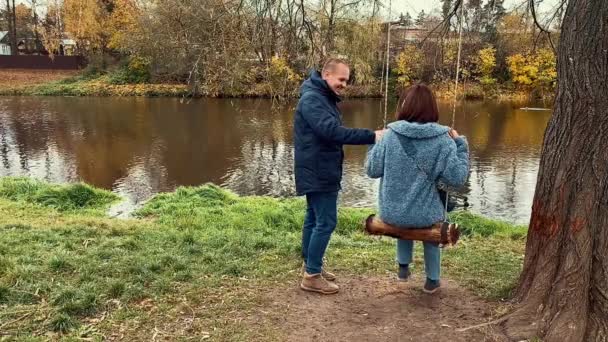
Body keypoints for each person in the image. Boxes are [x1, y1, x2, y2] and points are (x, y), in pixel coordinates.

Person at [365, 84, 469, 294]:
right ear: (432, 108)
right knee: (430, 215)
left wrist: (375, 143)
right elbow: (457, 177)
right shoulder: (443, 139)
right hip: (424, 216)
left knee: (404, 211)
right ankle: (432, 280)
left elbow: (372, 170)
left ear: (405, 106)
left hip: (391, 213)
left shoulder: (390, 135)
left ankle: (403, 268)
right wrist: (460, 144)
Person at [294, 58, 384, 294]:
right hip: (318, 169)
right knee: (326, 221)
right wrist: (372, 136)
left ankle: (311, 265)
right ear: (326, 75)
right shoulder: (313, 99)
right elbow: (331, 131)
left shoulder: (320, 96)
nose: (345, 84)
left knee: (313, 218)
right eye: (341, 79)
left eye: (347, 80)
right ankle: (312, 276)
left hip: (317, 167)